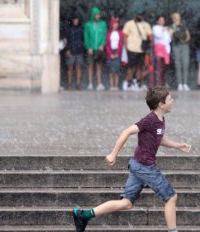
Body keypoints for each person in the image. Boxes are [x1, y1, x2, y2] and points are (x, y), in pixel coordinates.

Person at [72, 86, 192, 232]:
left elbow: (159, 138)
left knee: (127, 203)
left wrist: (178, 146)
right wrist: (113, 154)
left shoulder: (161, 120)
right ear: (161, 103)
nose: (172, 101)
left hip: (137, 165)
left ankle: (83, 215)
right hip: (144, 166)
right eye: (169, 99)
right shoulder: (149, 120)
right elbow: (127, 131)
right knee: (171, 197)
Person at [122, 8, 152, 91]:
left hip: (142, 49)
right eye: (139, 15)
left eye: (141, 15)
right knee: (131, 67)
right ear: (136, 15)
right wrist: (125, 47)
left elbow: (150, 36)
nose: (140, 16)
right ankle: (129, 82)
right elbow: (124, 36)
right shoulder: (129, 24)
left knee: (140, 67)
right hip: (131, 49)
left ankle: (138, 83)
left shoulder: (146, 25)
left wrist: (149, 46)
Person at [84, 7, 107, 91]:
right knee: (90, 66)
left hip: (99, 49)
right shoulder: (88, 25)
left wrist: (102, 44)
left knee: (99, 66)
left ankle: (99, 83)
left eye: (98, 14)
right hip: (91, 48)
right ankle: (90, 83)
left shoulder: (103, 24)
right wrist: (88, 47)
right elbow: (86, 36)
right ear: (93, 15)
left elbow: (104, 35)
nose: (98, 16)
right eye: (96, 14)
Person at [171, 12, 191, 91]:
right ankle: (179, 84)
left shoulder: (184, 25)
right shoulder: (172, 26)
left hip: (184, 46)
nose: (177, 18)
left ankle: (185, 83)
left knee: (185, 64)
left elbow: (188, 35)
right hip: (176, 46)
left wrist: (185, 40)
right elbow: (171, 36)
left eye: (178, 17)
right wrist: (174, 30)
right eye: (176, 17)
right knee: (178, 65)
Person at [64, 13, 85, 90]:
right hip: (70, 50)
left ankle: (78, 84)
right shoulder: (68, 29)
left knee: (78, 68)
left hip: (79, 51)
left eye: (77, 20)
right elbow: (65, 41)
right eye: (74, 20)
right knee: (70, 68)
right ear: (72, 20)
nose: (76, 21)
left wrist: (83, 49)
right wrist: (67, 49)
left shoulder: (81, 29)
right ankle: (69, 85)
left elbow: (83, 40)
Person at [152, 15, 173, 87]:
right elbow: (158, 35)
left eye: (163, 20)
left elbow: (168, 40)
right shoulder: (155, 28)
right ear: (157, 21)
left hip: (166, 50)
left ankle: (163, 83)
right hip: (159, 49)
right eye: (160, 20)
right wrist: (164, 30)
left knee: (164, 68)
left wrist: (170, 33)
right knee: (159, 67)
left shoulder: (166, 29)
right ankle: (158, 84)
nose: (162, 22)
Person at [105, 17, 123, 91]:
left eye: (117, 23)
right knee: (111, 70)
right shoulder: (108, 33)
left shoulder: (120, 33)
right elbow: (107, 44)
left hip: (117, 52)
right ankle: (111, 85)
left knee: (117, 69)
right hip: (110, 52)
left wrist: (118, 53)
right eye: (114, 23)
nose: (115, 25)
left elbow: (121, 43)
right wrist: (110, 53)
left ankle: (116, 85)